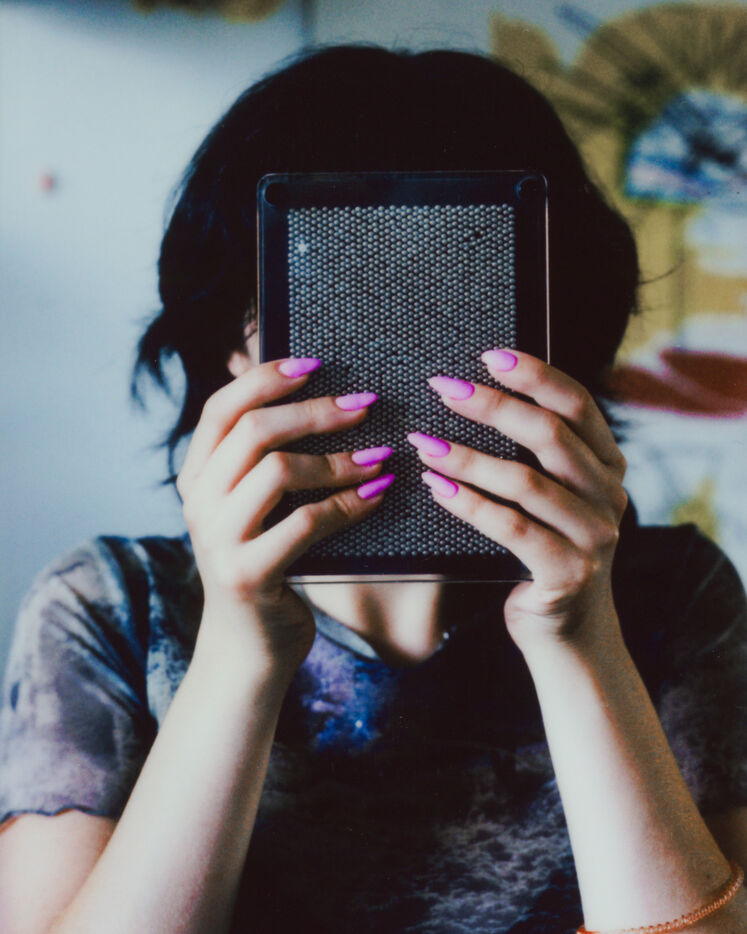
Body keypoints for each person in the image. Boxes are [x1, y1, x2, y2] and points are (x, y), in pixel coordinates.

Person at [0, 46, 745, 934]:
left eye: (455, 298)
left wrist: (576, 638)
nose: (401, 357)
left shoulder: (670, 599)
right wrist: (240, 650)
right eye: (338, 296)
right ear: (235, 344)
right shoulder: (112, 612)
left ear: (553, 334)